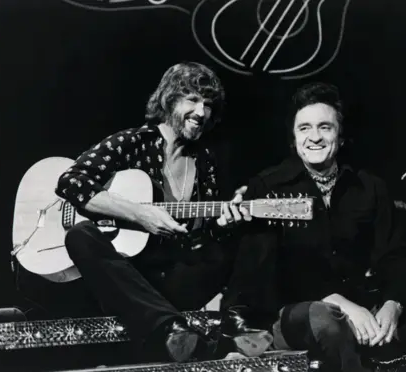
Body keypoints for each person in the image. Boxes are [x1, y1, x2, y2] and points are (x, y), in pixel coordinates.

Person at [223, 82, 406, 371]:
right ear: (293, 137)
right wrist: (343, 305)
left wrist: (393, 304)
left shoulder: (368, 186)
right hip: (294, 312)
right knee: (326, 317)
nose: (315, 137)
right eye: (304, 128)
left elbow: (397, 254)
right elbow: (267, 276)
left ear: (340, 137)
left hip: (363, 303)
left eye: (325, 127)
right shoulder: (266, 186)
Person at [54, 62, 272, 363]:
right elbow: (71, 182)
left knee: (255, 230)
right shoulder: (131, 143)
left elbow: (203, 236)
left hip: (176, 274)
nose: (201, 112)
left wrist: (222, 225)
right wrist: (139, 214)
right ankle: (172, 329)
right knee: (80, 235)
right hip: (130, 278)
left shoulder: (206, 161)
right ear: (169, 99)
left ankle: (236, 322)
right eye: (192, 99)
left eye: (208, 105)